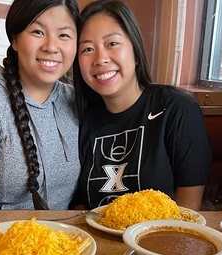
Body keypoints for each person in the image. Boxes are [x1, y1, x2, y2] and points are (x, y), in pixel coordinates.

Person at [73, 0, 212, 211]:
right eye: (88, 49)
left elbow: (188, 210)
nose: (100, 59)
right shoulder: (82, 119)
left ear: (136, 52)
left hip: (160, 241)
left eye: (112, 44)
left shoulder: (177, 109)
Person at [0, 0, 81, 210]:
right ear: (15, 40)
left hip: (58, 239)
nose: (51, 47)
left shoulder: (75, 100)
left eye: (63, 35)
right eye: (37, 32)